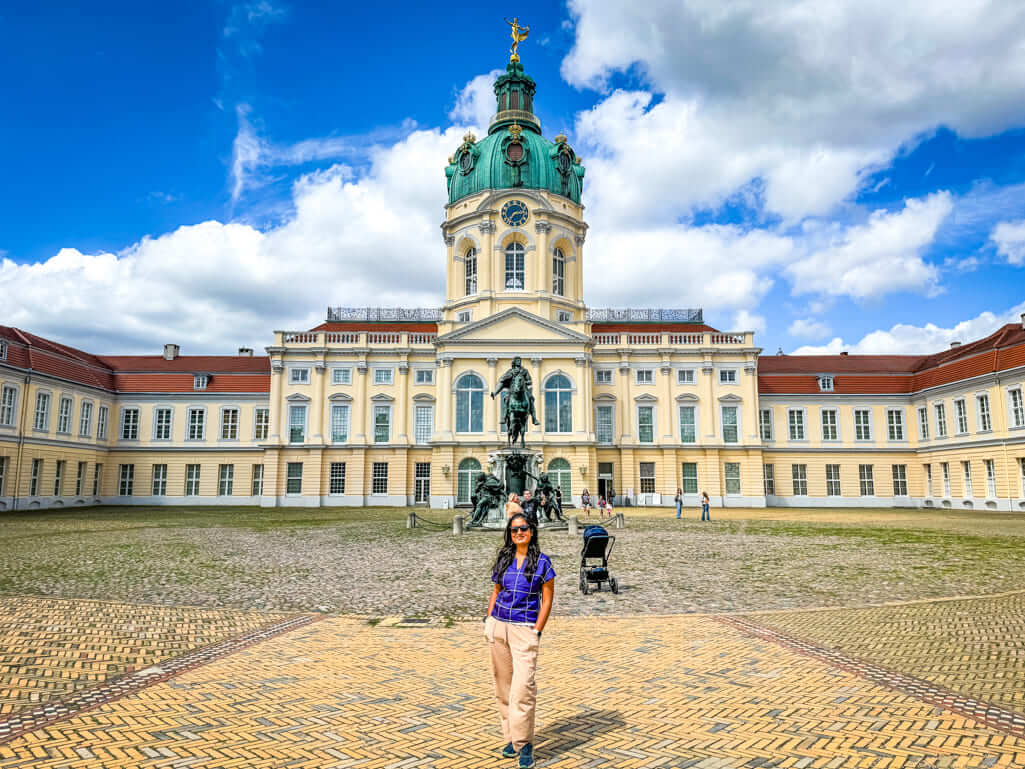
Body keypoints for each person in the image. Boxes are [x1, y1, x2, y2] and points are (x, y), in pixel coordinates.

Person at [485, 514, 555, 768]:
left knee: (523, 689)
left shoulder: (543, 563)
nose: (519, 533)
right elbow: (496, 591)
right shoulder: (504, 559)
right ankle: (511, 739)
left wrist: (537, 631)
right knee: (503, 689)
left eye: (523, 529)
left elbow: (547, 599)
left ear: (532, 532)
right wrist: (489, 620)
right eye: (514, 530)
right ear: (510, 534)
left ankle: (525, 743)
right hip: (499, 627)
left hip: (525, 629)